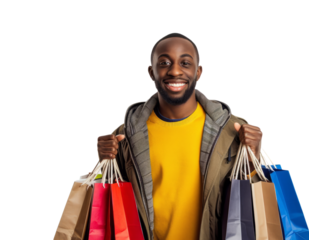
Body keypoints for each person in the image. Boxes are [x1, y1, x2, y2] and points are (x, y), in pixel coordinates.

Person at [96, 31, 263, 240]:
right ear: (151, 72)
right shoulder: (125, 136)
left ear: (199, 71)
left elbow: (255, 204)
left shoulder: (233, 130)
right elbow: (107, 203)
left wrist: (253, 157)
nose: (175, 71)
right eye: (164, 62)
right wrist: (102, 164)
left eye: (185, 63)